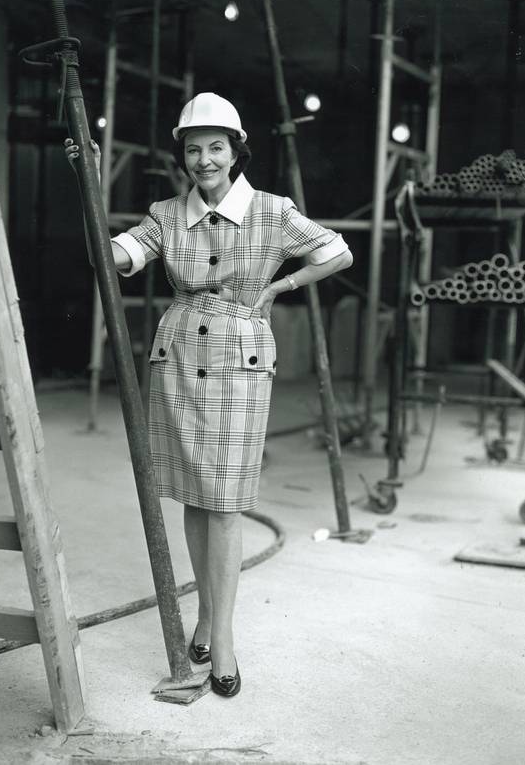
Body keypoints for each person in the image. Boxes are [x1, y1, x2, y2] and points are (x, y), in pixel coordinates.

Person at [65, 92, 352, 697]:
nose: (205, 160)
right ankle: (204, 616)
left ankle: (222, 639)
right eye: (193, 150)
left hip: (241, 363)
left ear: (236, 150)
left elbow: (337, 249)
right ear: (184, 157)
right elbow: (112, 258)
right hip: (179, 360)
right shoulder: (166, 215)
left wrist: (281, 286)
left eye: (216, 147)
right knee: (199, 496)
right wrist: (87, 184)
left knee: (224, 500)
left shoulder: (273, 212)